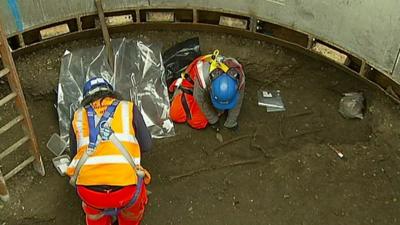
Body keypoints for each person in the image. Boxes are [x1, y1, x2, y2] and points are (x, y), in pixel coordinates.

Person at [66, 77, 152, 225]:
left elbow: (74, 154)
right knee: (132, 211)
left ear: (86, 98)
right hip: (126, 191)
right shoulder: (128, 108)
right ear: (111, 93)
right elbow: (147, 145)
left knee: (95, 217)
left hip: (90, 193)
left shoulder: (78, 115)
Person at [169, 50, 245, 130]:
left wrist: (231, 122)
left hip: (206, 89)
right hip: (193, 87)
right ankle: (178, 87)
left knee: (198, 121)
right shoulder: (202, 79)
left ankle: (218, 109)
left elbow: (238, 101)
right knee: (175, 115)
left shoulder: (239, 78)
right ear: (211, 89)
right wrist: (213, 120)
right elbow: (200, 99)